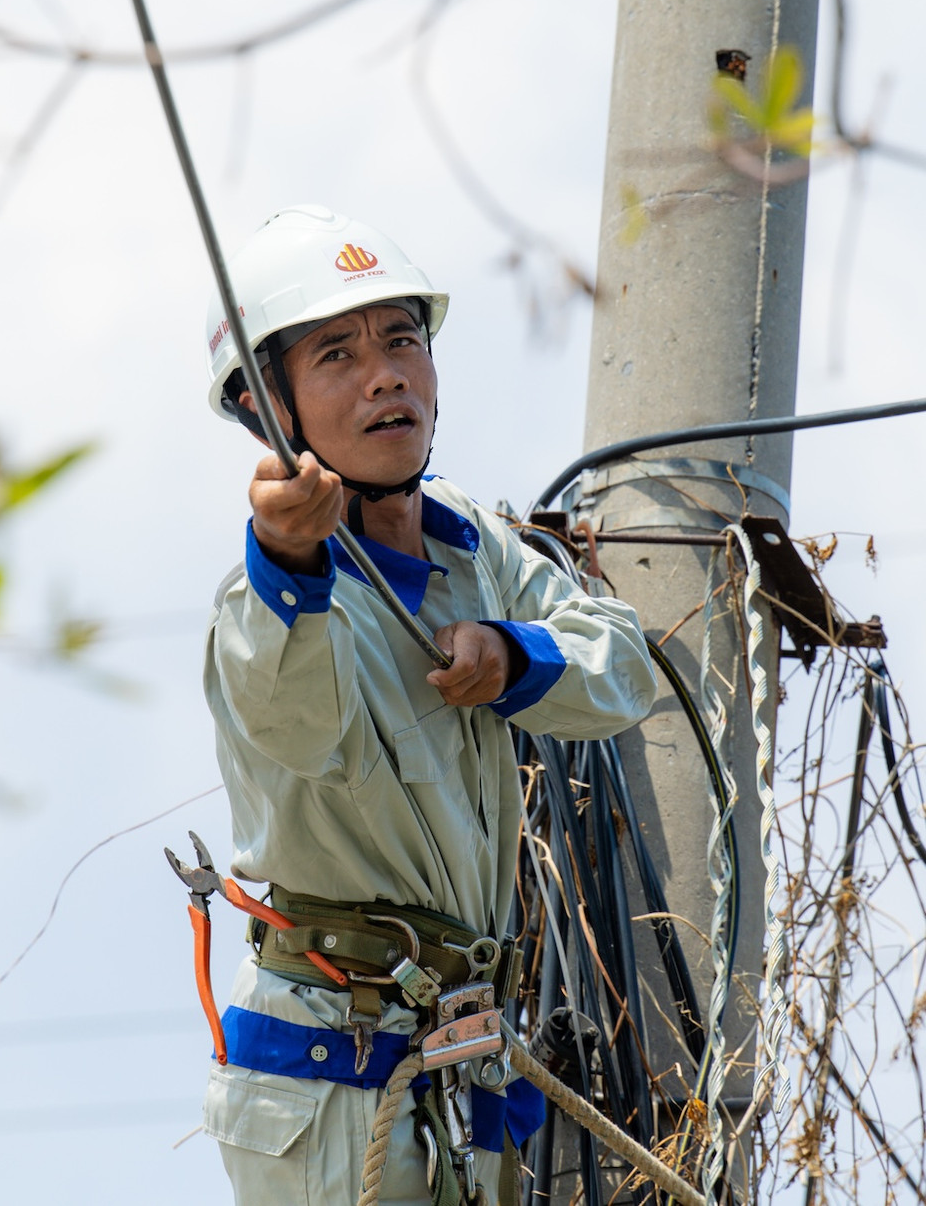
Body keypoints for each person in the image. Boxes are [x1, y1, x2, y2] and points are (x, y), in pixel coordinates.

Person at [196, 205, 657, 1205]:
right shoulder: (270, 605)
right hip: (332, 1073)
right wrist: (287, 556)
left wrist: (514, 654)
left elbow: (622, 670)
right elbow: (294, 717)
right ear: (265, 411)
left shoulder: (475, 550)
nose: (385, 374)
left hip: (458, 1057)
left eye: (402, 339)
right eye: (335, 354)